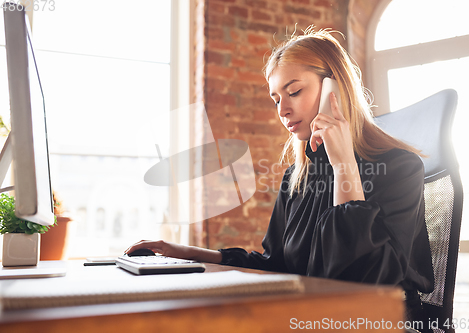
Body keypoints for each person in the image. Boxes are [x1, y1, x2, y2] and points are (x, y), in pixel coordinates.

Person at [126, 27, 434, 328]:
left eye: (295, 91)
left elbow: (359, 282)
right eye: (276, 99)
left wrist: (344, 167)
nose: (283, 109)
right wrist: (187, 253)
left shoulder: (400, 168)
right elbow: (275, 264)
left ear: (335, 89)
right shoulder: (296, 179)